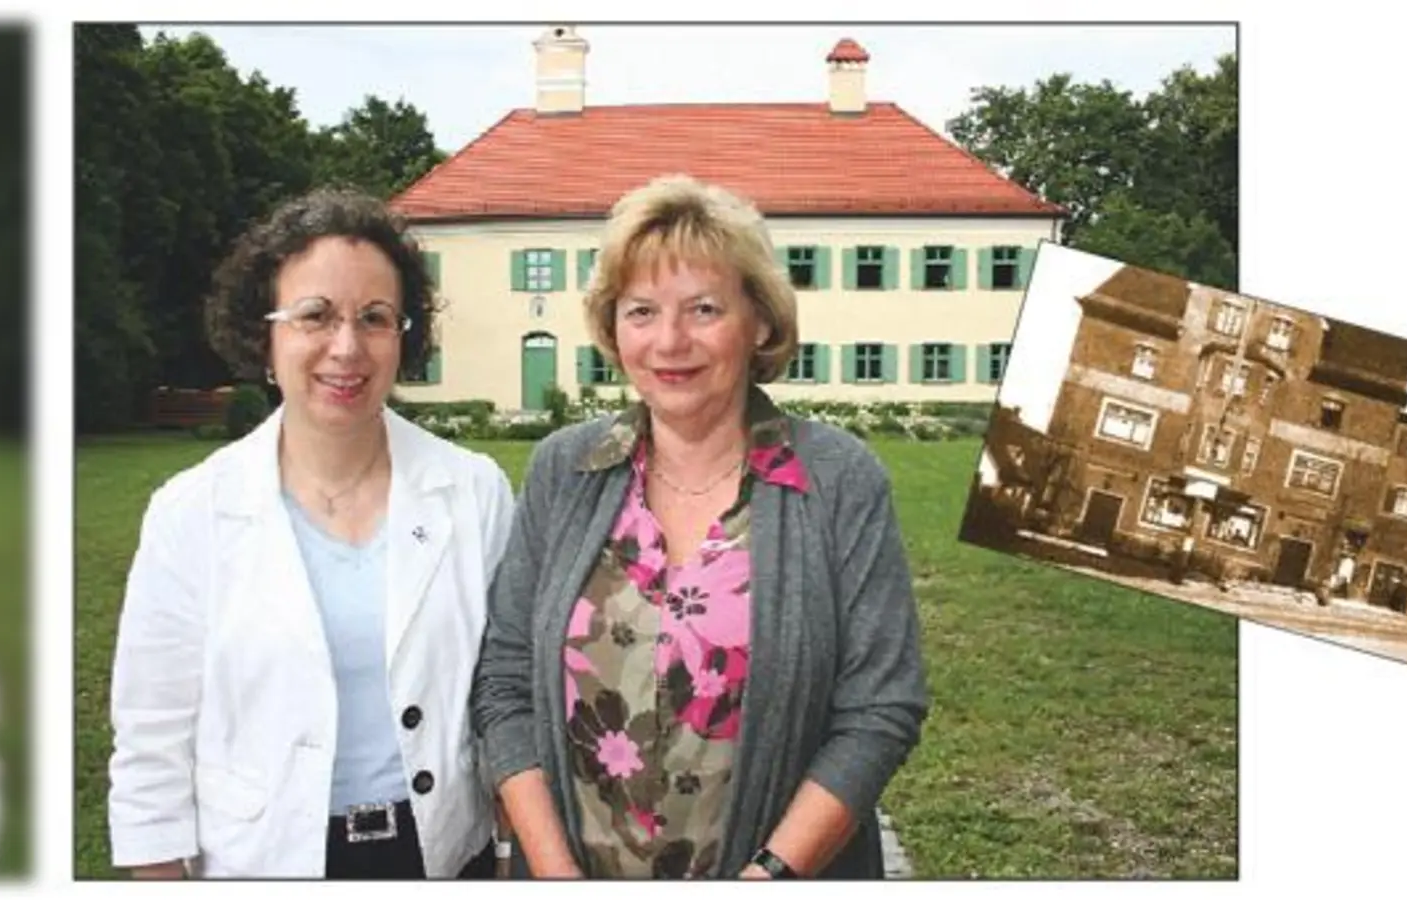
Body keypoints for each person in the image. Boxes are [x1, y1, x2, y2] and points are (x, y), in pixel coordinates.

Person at [470, 175, 929, 879]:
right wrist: (554, 876)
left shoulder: (839, 480)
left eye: (704, 309)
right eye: (642, 311)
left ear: (761, 322)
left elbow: (879, 707)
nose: (670, 341)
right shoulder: (566, 470)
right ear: (612, 327)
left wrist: (770, 875)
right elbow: (503, 684)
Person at [107, 188, 514, 879]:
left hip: (443, 857)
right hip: (262, 865)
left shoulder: (475, 492)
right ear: (263, 336)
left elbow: (505, 695)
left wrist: (507, 855)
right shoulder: (191, 512)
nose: (346, 347)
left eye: (375, 318)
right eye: (314, 316)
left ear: (403, 339)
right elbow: (152, 739)